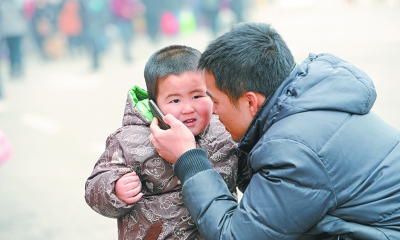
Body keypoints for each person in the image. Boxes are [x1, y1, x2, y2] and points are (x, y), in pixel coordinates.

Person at [149, 23, 400, 239]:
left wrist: (189, 159)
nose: (213, 111)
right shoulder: (313, 98)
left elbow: (235, 235)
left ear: (250, 102)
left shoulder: (293, 150)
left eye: (215, 100)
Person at [85, 45, 249, 240]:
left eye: (197, 96)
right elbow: (94, 187)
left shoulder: (224, 130)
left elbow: (253, 177)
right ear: (154, 104)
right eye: (175, 101)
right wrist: (114, 189)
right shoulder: (130, 140)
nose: (188, 108)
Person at [0, 0, 28, 78]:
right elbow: (23, 14)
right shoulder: (16, 2)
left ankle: (12, 69)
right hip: (17, 30)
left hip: (7, 31)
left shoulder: (2, 3)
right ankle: (19, 68)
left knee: (11, 50)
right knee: (17, 50)